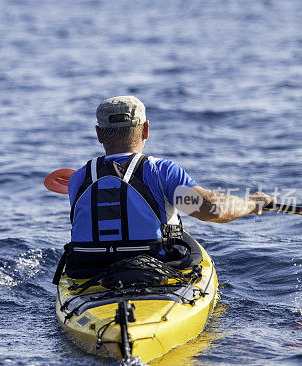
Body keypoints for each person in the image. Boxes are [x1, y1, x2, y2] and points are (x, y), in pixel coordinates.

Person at [59, 96, 275, 280]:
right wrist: (252, 203)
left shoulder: (77, 179)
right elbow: (213, 210)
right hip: (155, 273)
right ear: (146, 129)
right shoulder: (162, 172)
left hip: (91, 274)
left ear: (99, 134)